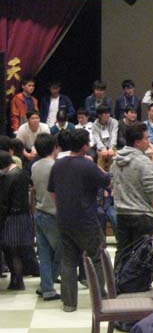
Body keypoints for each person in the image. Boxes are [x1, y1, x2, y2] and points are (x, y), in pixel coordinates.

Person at [48, 128, 111, 312]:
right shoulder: (87, 165)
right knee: (97, 257)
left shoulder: (58, 164)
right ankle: (100, 299)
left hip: (64, 218)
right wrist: (96, 164)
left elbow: (52, 192)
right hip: (86, 219)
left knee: (68, 260)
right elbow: (107, 181)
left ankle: (69, 303)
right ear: (84, 146)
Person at [111, 122, 153, 267]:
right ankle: (138, 282)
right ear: (137, 142)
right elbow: (151, 190)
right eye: (146, 138)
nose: (149, 141)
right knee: (142, 257)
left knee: (122, 252)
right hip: (142, 215)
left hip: (122, 213)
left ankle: (117, 280)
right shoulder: (144, 161)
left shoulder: (116, 160)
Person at [31, 134, 61, 300]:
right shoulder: (56, 166)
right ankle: (47, 285)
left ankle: (47, 287)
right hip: (54, 214)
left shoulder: (35, 166)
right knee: (62, 252)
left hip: (40, 211)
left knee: (44, 254)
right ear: (54, 147)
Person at [0, 150, 34, 290]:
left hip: (12, 218)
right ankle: (17, 280)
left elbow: (4, 201)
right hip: (22, 216)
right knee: (17, 251)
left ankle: (17, 281)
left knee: (12, 251)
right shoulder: (22, 173)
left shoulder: (9, 177)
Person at [92, 104, 118, 171]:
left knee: (113, 156)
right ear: (99, 115)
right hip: (101, 147)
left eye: (108, 113)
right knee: (101, 156)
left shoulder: (114, 122)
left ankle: (113, 175)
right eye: (106, 113)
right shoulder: (94, 125)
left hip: (112, 146)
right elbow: (97, 139)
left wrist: (111, 148)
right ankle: (100, 174)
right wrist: (103, 149)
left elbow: (114, 135)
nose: (108, 115)